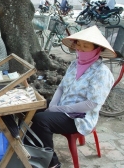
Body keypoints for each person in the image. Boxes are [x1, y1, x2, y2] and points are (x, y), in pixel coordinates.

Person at [26, 26, 115, 168]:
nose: (80, 48)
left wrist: (59, 109)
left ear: (97, 49)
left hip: (80, 117)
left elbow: (92, 104)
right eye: (78, 44)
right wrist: (53, 105)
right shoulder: (75, 64)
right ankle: (29, 149)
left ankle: (51, 162)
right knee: (32, 108)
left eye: (86, 46)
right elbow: (61, 87)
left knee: (41, 120)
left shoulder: (101, 73)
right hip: (63, 105)